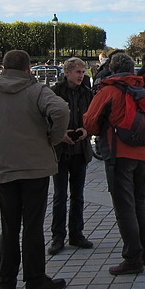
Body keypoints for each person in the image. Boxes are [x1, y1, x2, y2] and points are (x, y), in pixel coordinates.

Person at [0, 50, 70, 289]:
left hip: (4, 167)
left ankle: (6, 281)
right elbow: (60, 110)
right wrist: (54, 137)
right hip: (34, 167)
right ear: (28, 69)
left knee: (8, 227)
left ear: (3, 68)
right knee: (32, 226)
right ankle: (35, 280)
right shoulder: (37, 91)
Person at [83, 53, 145, 275]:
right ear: (133, 68)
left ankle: (133, 257)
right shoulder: (144, 88)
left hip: (119, 154)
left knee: (125, 208)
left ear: (111, 69)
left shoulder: (109, 91)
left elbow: (91, 123)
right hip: (144, 155)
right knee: (140, 202)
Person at [48, 57, 95, 256]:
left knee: (78, 196)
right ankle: (57, 236)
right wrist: (59, 135)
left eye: (83, 72)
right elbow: (46, 119)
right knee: (60, 196)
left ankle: (76, 233)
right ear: (67, 72)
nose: (81, 76)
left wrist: (87, 131)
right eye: (78, 72)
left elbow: (92, 117)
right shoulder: (54, 93)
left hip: (80, 151)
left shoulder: (87, 93)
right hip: (60, 152)